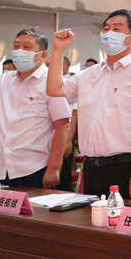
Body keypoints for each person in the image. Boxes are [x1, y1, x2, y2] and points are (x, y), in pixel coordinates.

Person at [47, 9, 131, 201]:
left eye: (117, 29)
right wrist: (59, 49)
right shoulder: (89, 74)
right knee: (90, 219)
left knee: (125, 220)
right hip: (91, 166)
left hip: (126, 166)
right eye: (106, 29)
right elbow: (54, 89)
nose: (109, 33)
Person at [0, 30, 71, 189]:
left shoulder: (50, 82)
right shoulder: (5, 80)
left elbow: (62, 126)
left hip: (36, 167)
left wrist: (53, 168)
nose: (19, 52)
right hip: (5, 167)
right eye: (16, 46)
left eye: (26, 47)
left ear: (43, 55)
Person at [58, 56, 77, 191]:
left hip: (64, 134)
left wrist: (68, 140)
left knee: (63, 176)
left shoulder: (70, 84)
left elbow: (73, 114)